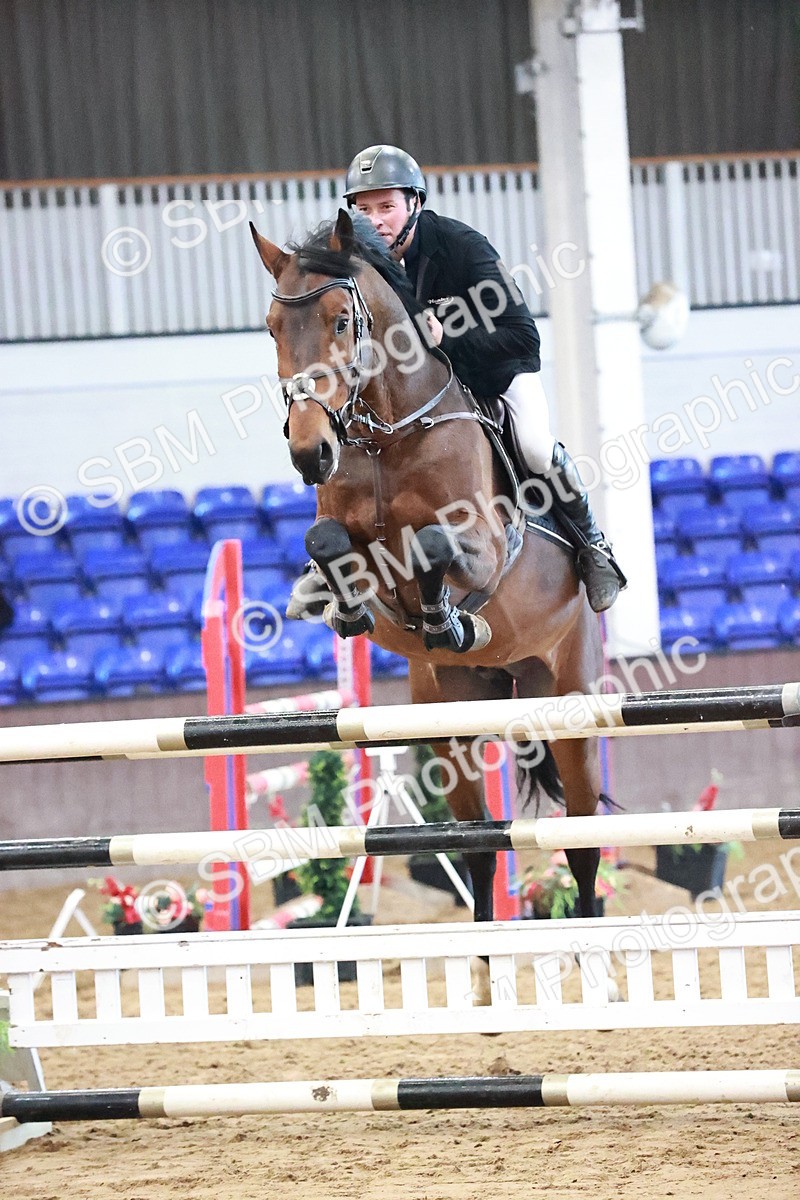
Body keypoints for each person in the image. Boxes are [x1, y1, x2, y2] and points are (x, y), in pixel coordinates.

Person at [291, 144, 625, 616]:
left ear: (415, 205)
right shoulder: (353, 271)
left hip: (491, 375)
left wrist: (445, 339)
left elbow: (522, 338)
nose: (375, 221)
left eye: (387, 207)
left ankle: (592, 547)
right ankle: (328, 566)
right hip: (408, 400)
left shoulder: (462, 248)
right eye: (363, 209)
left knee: (532, 443)